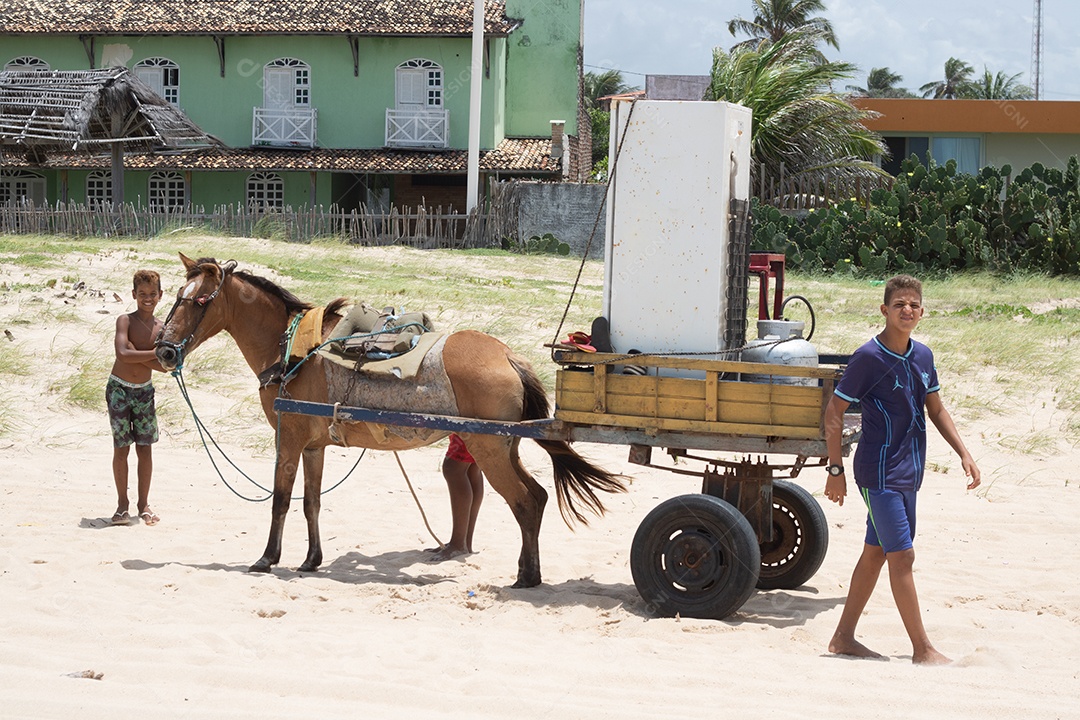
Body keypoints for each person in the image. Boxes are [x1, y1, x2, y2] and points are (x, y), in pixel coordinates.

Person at [823, 274, 980, 665]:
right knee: (903, 557)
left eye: (913, 305)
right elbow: (833, 413)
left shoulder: (923, 356)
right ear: (885, 311)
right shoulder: (868, 358)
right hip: (878, 473)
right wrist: (835, 470)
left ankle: (843, 638)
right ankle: (922, 649)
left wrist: (964, 453)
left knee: (876, 553)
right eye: (899, 305)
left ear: (922, 311)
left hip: (909, 471)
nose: (906, 310)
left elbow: (936, 408)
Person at [107, 270, 165, 526]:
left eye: (152, 294)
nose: (147, 298)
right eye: (142, 294)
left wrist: (137, 351)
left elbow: (165, 366)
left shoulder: (162, 327)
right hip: (119, 389)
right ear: (133, 295)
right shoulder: (125, 321)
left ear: (160, 295)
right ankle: (122, 505)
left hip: (144, 391)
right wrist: (152, 353)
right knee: (122, 447)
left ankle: (144, 505)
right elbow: (122, 354)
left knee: (145, 448)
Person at [429, 434, 484, 560]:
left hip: (471, 420)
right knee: (472, 467)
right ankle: (464, 542)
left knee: (453, 467)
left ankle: (458, 544)